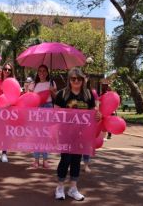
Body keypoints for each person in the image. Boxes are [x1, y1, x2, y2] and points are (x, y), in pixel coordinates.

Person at [53, 67, 101, 201]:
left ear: (83, 80)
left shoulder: (88, 95)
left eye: (79, 78)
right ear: (69, 80)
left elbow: (93, 113)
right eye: (73, 78)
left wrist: (97, 115)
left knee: (76, 160)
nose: (76, 81)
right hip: (65, 133)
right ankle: (60, 187)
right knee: (65, 159)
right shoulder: (62, 94)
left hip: (82, 134)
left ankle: (73, 188)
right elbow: (55, 113)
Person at [29, 65, 57, 169]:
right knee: (36, 135)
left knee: (45, 135)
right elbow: (29, 98)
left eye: (44, 71)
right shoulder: (33, 84)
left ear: (47, 72)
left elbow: (56, 98)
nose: (42, 73)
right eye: (40, 71)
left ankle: (45, 160)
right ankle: (36, 160)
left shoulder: (52, 83)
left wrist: (52, 91)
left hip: (48, 107)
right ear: (37, 72)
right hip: (37, 109)